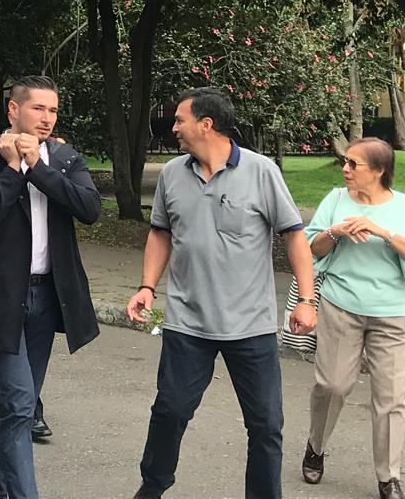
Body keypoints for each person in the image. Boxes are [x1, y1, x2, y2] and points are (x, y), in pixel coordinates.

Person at [127, 87, 317, 499]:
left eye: (180, 120)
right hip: (187, 322)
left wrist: (306, 299)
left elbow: (294, 235)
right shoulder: (172, 173)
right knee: (170, 411)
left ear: (206, 124)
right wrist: (146, 286)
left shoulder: (261, 171)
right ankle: (153, 487)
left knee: (266, 425)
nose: (174, 127)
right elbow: (160, 233)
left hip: (251, 325)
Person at [0, 76, 101, 498]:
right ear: (13, 110)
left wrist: (38, 167)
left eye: (53, 110)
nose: (46, 117)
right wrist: (14, 169)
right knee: (20, 405)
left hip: (46, 298)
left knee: (15, 409)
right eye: (38, 108)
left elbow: (90, 209)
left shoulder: (64, 159)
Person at [302, 137, 405, 499]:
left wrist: (382, 232)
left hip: (393, 314)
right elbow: (312, 247)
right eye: (345, 162)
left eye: (353, 164)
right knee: (332, 386)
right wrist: (335, 232)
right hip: (341, 306)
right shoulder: (335, 199)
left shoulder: (402, 206)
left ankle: (389, 476)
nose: (345, 169)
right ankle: (316, 446)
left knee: (391, 397)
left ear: (378, 171)